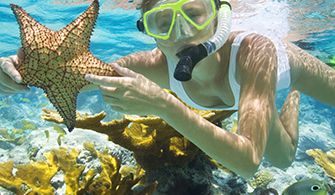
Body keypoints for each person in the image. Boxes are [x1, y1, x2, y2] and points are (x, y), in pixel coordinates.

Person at [0, 0, 334, 178]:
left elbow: (247, 163)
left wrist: (162, 103)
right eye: (163, 22)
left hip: (286, 67)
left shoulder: (254, 51)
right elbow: (63, 73)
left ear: (219, 17)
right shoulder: (151, 65)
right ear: (149, 31)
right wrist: (12, 74)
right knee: (284, 160)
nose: (182, 32)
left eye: (194, 14)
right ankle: (273, 104)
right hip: (249, 93)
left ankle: (291, 91)